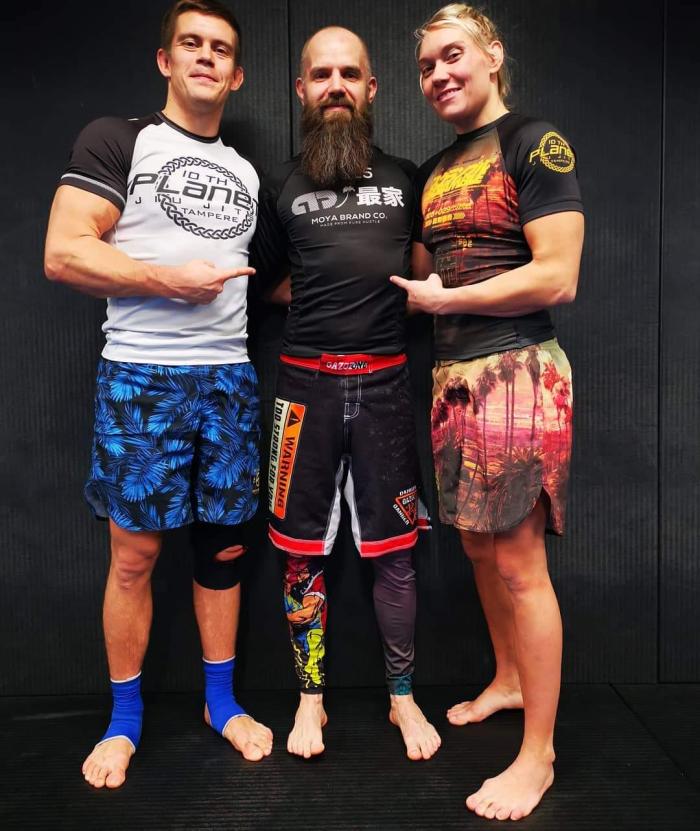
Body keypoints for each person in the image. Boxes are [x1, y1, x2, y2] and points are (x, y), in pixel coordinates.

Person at [44, 0, 272, 790]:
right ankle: (124, 719)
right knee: (135, 556)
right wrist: (168, 280)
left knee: (224, 549)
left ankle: (220, 702)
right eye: (191, 43)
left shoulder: (247, 173)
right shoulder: (120, 139)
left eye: (221, 49)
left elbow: (267, 279)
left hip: (230, 380)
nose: (206, 56)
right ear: (165, 60)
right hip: (142, 377)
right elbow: (64, 251)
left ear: (236, 75)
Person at [391, 3, 584, 821]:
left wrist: (449, 298)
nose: (438, 74)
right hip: (451, 379)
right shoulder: (435, 170)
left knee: (518, 561)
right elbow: (419, 275)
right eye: (426, 66)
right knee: (476, 547)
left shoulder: (535, 142)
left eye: (453, 56)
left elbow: (558, 274)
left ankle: (538, 755)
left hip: (517, 370)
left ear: (493, 54)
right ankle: (508, 678)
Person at [252, 26, 440, 762]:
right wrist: (325, 301)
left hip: (387, 384)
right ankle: (311, 700)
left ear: (370, 88)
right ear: (301, 89)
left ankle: (402, 697)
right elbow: (264, 282)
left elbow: (422, 278)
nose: (336, 85)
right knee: (301, 552)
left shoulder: (407, 178)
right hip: (304, 389)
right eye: (322, 74)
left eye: (349, 74)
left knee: (395, 550)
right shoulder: (280, 185)